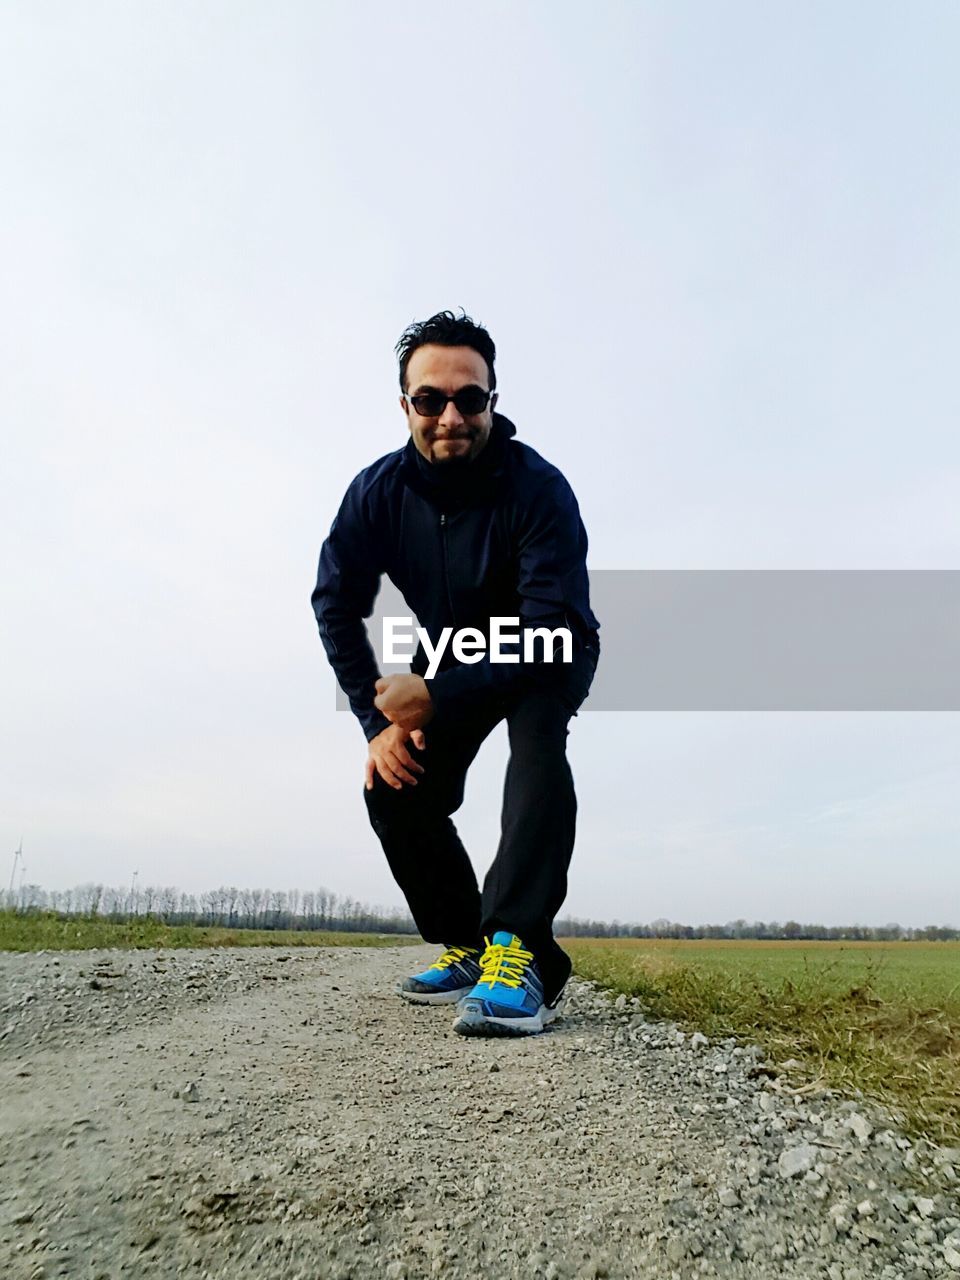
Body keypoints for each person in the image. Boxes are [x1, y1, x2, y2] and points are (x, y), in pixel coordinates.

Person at [311, 310, 599, 1037]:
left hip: (547, 646)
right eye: (430, 399)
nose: (450, 416)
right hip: (451, 652)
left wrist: (436, 692)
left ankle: (521, 952)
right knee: (397, 782)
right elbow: (334, 602)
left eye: (469, 399)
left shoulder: (540, 489)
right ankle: (468, 943)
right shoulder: (376, 494)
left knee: (537, 748)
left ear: (493, 403)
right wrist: (378, 723)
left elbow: (550, 629)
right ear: (405, 405)